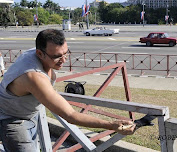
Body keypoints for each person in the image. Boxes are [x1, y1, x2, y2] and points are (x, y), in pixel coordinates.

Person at [0, 29, 135, 151]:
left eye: (66, 53)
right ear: (40, 53)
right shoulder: (34, 77)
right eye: (57, 56)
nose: (63, 60)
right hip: (12, 120)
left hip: (29, 113)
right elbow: (70, 115)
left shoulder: (40, 53)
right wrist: (112, 125)